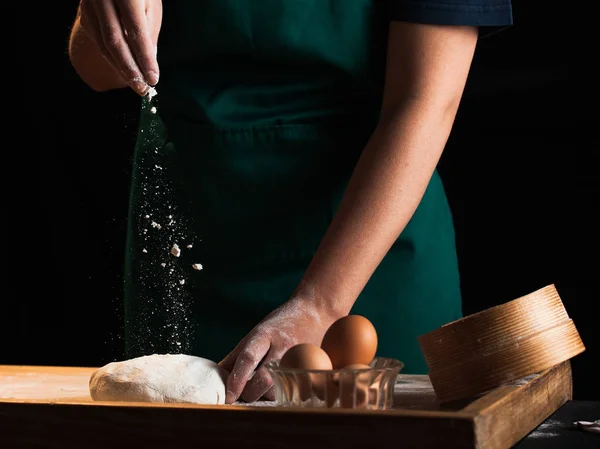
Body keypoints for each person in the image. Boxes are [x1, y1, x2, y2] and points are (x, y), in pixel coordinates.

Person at [68, 0, 513, 405]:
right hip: (193, 245)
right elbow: (96, 70)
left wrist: (321, 303)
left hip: (368, 255)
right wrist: (106, 17)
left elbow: (427, 100)